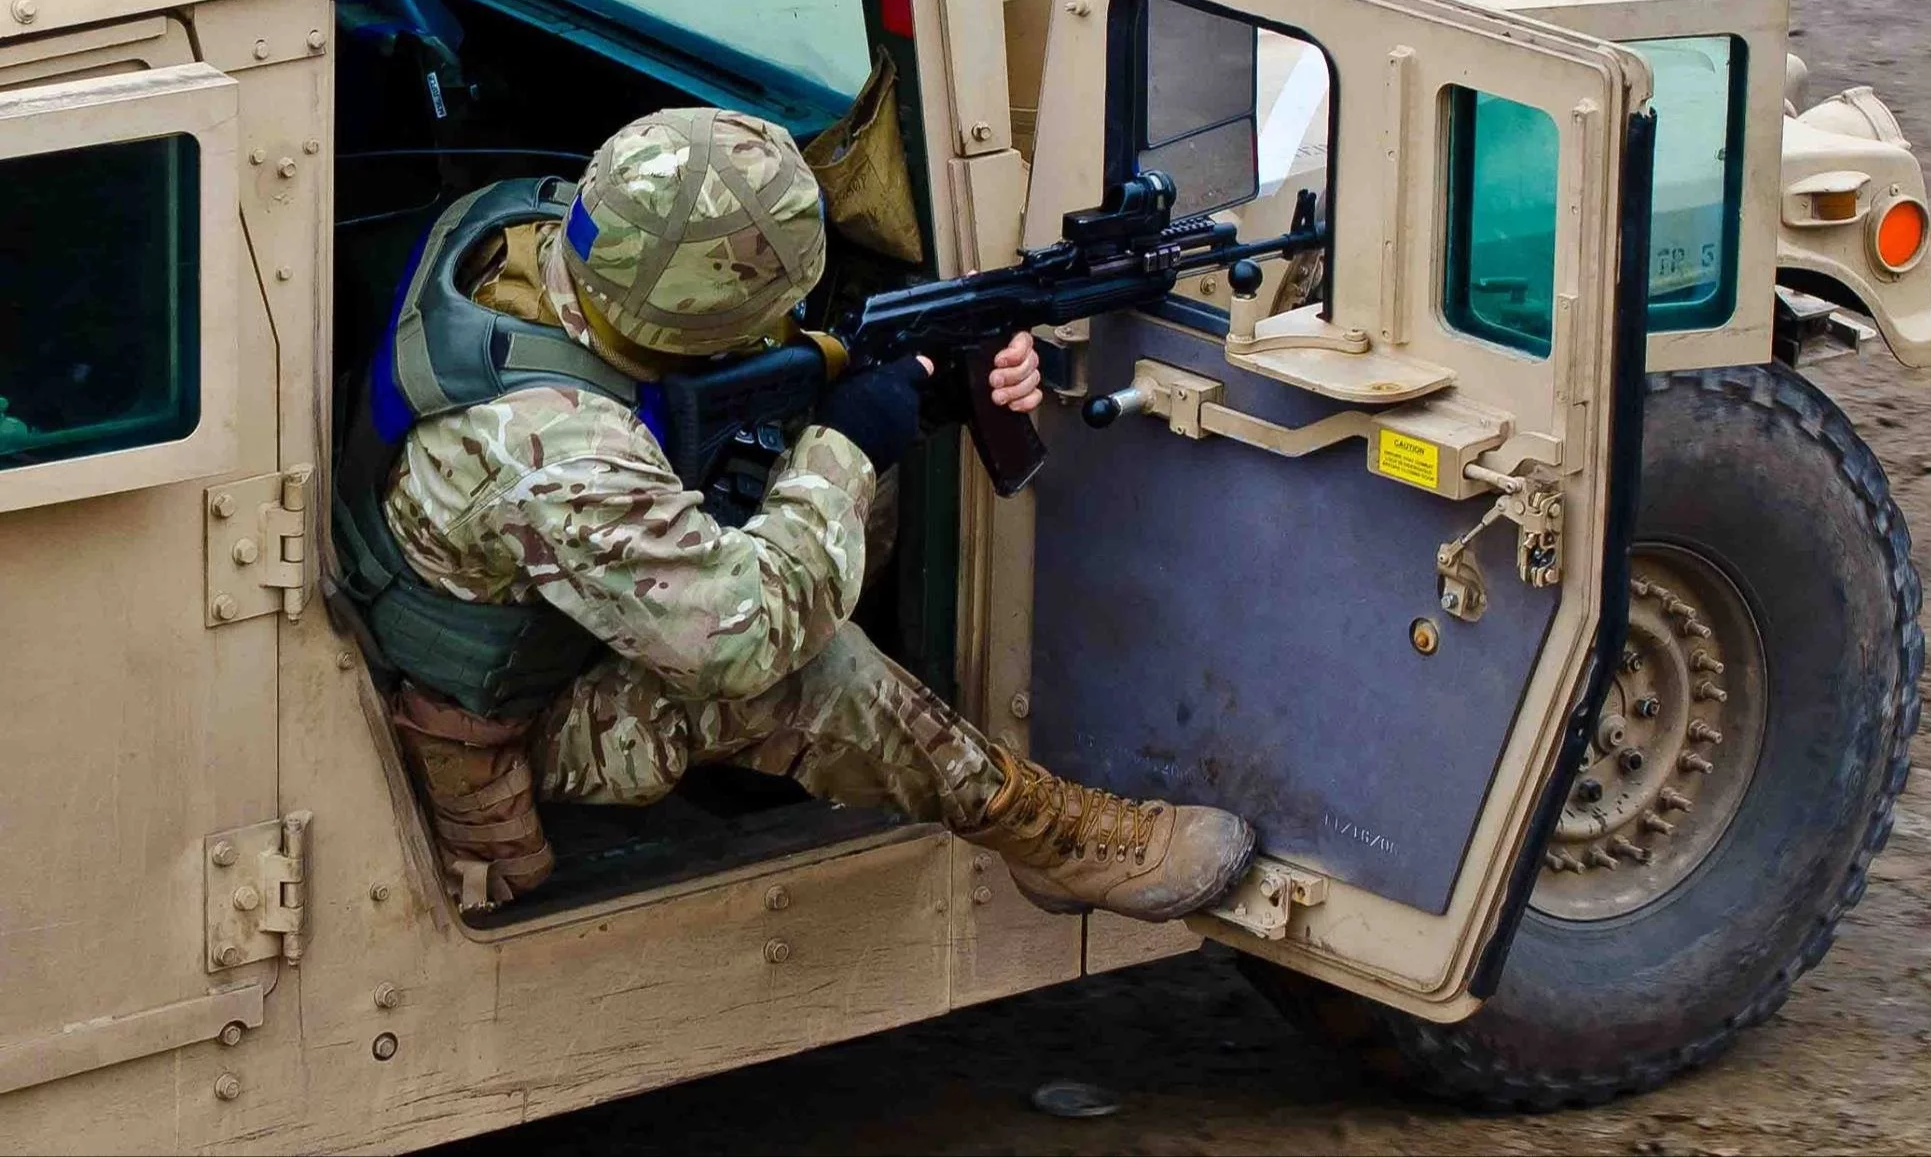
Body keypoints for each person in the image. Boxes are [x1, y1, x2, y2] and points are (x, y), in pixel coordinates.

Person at [333, 106, 1256, 919]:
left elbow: (714, 388)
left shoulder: (536, 228)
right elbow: (744, 641)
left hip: (537, 592)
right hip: (498, 718)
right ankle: (1048, 833)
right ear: (690, 328)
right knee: (819, 666)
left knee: (838, 498)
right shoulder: (554, 450)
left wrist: (927, 382)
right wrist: (850, 437)